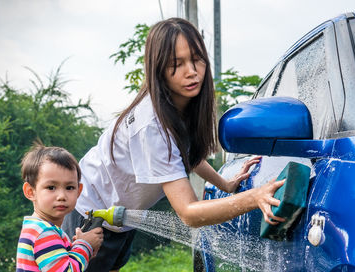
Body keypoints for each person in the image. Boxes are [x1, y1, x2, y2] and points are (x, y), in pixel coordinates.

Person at [62, 17, 285, 272]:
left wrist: (225, 184)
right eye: (176, 64)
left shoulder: (178, 107)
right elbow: (189, 213)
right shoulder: (152, 125)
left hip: (121, 216)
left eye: (197, 59)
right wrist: (254, 197)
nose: (191, 71)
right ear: (158, 69)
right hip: (90, 213)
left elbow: (183, 154)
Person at [16, 143, 104, 272]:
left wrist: (75, 248)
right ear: (30, 191)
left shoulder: (39, 228)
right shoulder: (44, 233)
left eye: (69, 188)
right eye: (51, 187)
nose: (62, 196)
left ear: (79, 191)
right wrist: (85, 245)